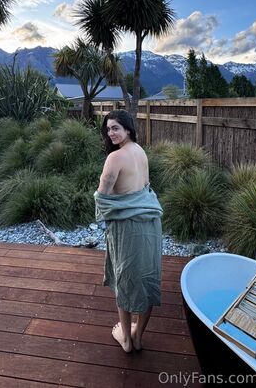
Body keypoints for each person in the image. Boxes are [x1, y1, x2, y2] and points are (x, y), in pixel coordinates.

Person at [94, 110, 163, 353]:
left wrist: (106, 214)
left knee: (124, 277)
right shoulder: (140, 151)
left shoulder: (115, 158)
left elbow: (102, 198)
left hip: (128, 227)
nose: (111, 133)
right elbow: (145, 188)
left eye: (115, 128)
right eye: (108, 129)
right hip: (150, 223)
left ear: (128, 129)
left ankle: (126, 339)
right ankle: (138, 336)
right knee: (148, 277)